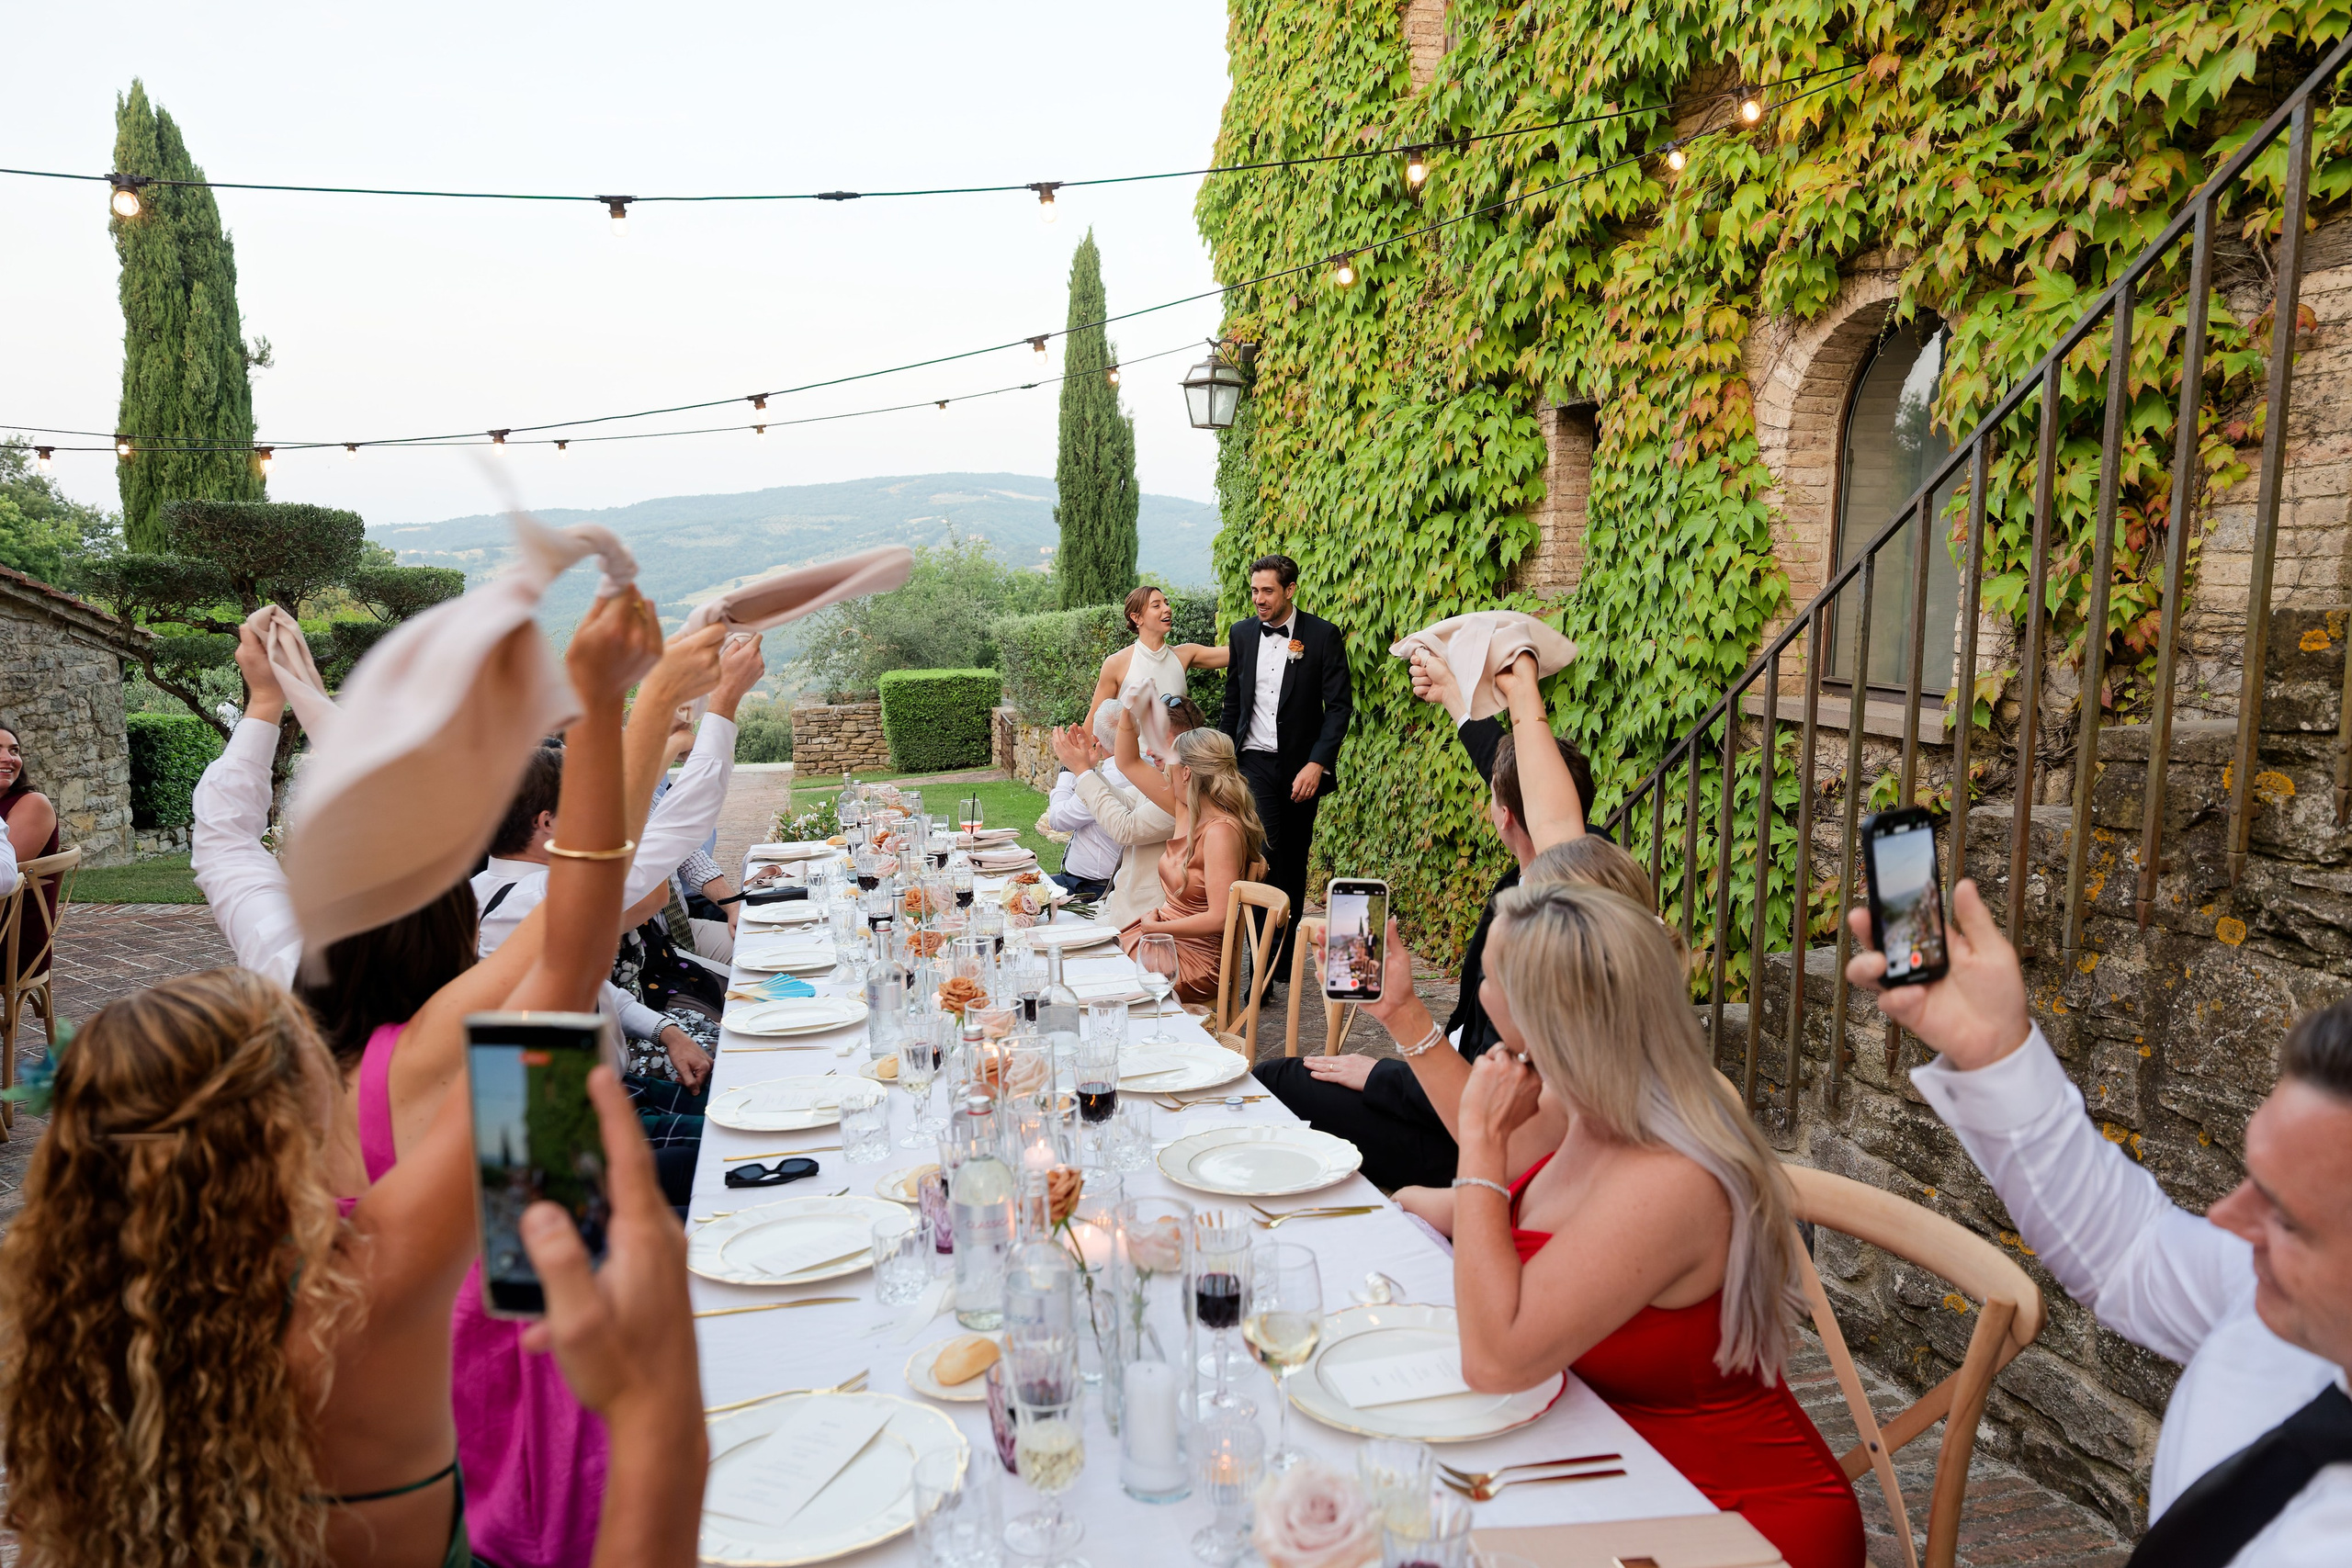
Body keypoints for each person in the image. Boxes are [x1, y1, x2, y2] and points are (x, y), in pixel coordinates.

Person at [0, 586, 707, 1568]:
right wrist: (625, 702)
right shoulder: (375, 1278)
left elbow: (225, 843)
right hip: (545, 1482)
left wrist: (273, 707)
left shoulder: (77, 1382)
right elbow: (569, 947)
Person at [1848, 883, 2352, 1564]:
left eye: (2287, 1219)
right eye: (2250, 1178)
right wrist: (1996, 1054)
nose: (2228, 1220)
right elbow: (2131, 1249)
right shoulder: (2280, 1308)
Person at [1368, 881, 1863, 1568]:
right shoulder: (1588, 1110)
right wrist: (1427, 1196)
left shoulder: (1672, 1178)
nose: (1479, 990)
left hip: (1733, 1518)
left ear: (1556, 1022)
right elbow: (1517, 1217)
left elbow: (1496, 1358)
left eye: (1490, 976)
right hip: (1611, 1463)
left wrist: (1479, 1145)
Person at [1256, 717, 1600, 1191]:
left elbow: (1486, 1111)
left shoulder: (1555, 920)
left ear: (1503, 816)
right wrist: (1398, 1014)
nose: (1487, 983)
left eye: (1495, 975)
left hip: (1459, 1127)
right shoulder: (1546, 881)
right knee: (1284, 1076)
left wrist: (1385, 1071)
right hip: (1449, 1090)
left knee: (1276, 1083)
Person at [1216, 554, 1351, 976]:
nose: (1258, 599)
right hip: (1253, 762)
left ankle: (1283, 960)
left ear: (1290, 590)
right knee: (1265, 856)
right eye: (1254, 590)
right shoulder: (1241, 635)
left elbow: (1339, 708)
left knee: (1294, 861)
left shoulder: (1323, 636)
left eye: (1267, 591)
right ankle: (1261, 964)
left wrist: (1317, 764)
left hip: (1300, 769)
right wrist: (1223, 762)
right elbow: (1233, 703)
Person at [1112, 723, 1267, 1003]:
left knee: (1108, 978)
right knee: (1099, 965)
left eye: (1168, 764)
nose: (1163, 772)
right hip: (1165, 938)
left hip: (1196, 961)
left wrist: (1158, 931)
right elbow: (1129, 763)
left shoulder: (1220, 831)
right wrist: (1129, 710)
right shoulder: (1187, 812)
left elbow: (1221, 917)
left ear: (1186, 772)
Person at [1046, 695, 1205, 931]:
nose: (1150, 751)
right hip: (1117, 908)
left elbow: (1125, 829)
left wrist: (1080, 772)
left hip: (1144, 922)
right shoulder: (1166, 781)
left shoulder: (1188, 796)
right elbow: (1125, 798)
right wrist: (1089, 770)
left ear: (1189, 742)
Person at [1089, 584, 1227, 717]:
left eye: (1166, 603)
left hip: (1178, 742)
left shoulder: (1184, 655)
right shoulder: (1116, 663)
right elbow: (1095, 721)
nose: (1167, 609)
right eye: (1156, 605)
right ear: (1137, 618)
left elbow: (1238, 653)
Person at [0, 727, 60, 950]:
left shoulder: (33, 804)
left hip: (11, 940)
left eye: (14, 750)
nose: (8, 758)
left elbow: (4, 875)